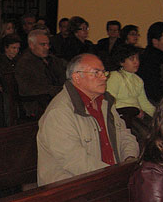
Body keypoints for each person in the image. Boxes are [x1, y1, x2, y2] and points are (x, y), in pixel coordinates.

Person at [37, 53, 138, 186]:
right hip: (70, 188)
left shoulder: (105, 102)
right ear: (77, 77)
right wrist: (114, 177)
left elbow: (124, 135)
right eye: (96, 73)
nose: (103, 78)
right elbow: (75, 161)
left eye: (104, 72)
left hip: (108, 178)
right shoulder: (59, 113)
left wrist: (129, 160)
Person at [106, 44, 155, 147]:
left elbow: (144, 103)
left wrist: (159, 116)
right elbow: (109, 102)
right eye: (131, 59)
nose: (136, 62)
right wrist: (132, 110)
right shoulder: (115, 76)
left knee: (158, 131)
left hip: (138, 115)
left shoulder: (138, 80)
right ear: (121, 62)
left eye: (137, 58)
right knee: (146, 136)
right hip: (123, 116)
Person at [14, 29, 66, 118]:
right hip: (36, 104)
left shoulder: (52, 60)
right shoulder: (24, 63)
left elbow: (63, 77)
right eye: (42, 44)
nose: (47, 47)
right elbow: (27, 89)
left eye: (48, 44)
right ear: (31, 45)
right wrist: (55, 90)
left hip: (56, 99)